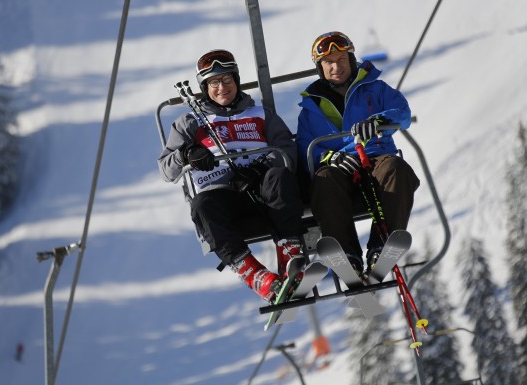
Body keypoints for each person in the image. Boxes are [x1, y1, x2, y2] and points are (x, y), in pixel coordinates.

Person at [158, 49, 305, 302]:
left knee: (279, 177)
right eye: (214, 82)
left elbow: (287, 151)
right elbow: (166, 170)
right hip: (223, 197)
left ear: (236, 81)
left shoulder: (260, 114)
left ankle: (290, 254)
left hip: (262, 191)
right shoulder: (190, 122)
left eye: (227, 80)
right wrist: (187, 153)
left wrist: (261, 168)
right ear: (205, 88)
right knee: (202, 205)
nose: (222, 87)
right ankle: (256, 275)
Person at [295, 31, 420, 276]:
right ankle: (347, 255)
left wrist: (379, 119)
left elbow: (402, 112)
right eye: (328, 62)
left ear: (351, 60)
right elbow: (305, 147)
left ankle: (381, 246)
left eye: (341, 59)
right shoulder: (312, 106)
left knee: (396, 170)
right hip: (339, 167)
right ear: (320, 68)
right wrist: (330, 157)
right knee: (324, 180)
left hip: (374, 156)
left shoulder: (374, 89)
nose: (336, 66)